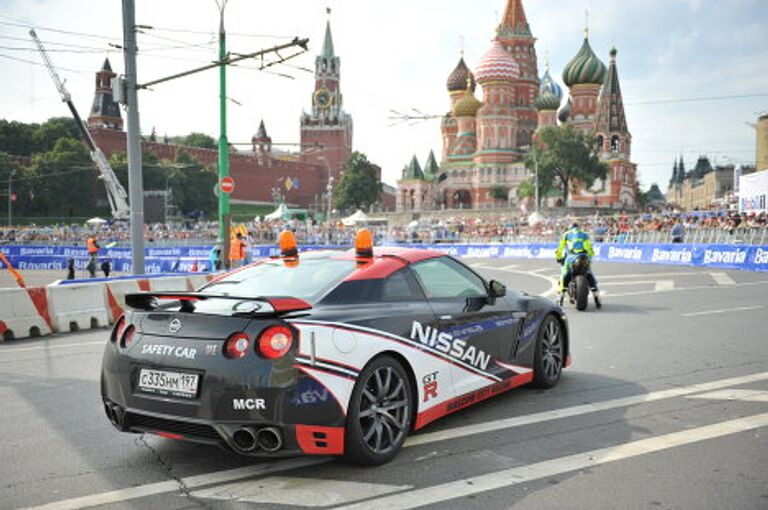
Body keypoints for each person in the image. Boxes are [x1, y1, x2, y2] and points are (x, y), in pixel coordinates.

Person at [555, 222, 601, 308]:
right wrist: (590, 258)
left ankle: (560, 299)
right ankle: (597, 298)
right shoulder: (584, 235)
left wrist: (558, 257)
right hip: (583, 257)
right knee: (589, 274)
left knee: (564, 275)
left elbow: (560, 248)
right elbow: (589, 249)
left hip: (570, 258)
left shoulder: (566, 234)